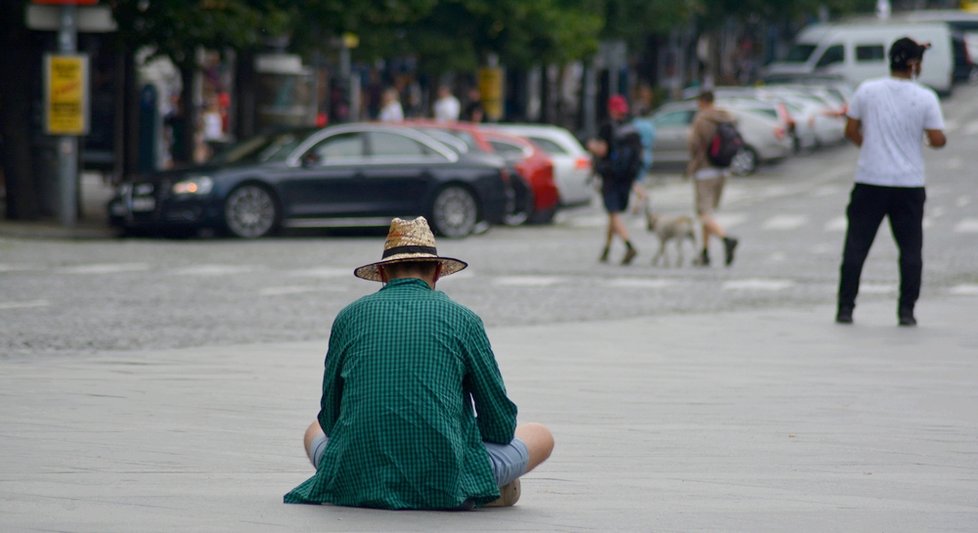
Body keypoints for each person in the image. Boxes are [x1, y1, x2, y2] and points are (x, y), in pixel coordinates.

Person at [284, 217, 554, 509]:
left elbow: (330, 419)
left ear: (384, 274)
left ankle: (372, 483)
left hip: (357, 474)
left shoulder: (349, 317)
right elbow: (499, 425)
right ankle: (480, 489)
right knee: (541, 435)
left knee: (313, 430)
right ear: (437, 272)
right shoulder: (463, 319)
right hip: (443, 477)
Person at [836, 37, 946, 327]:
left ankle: (845, 308)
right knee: (910, 251)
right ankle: (906, 311)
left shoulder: (867, 90)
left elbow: (850, 129)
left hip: (870, 179)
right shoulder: (925, 97)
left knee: (856, 247)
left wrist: (870, 147)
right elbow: (937, 139)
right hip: (909, 184)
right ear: (912, 65)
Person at [686, 90, 739, 267]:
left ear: (702, 101)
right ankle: (705, 253)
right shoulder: (727, 117)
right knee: (709, 213)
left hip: (704, 170)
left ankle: (726, 239)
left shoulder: (701, 120)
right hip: (722, 170)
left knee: (703, 214)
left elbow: (693, 144)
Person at [588, 95, 642, 265]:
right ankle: (606, 249)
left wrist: (592, 147)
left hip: (610, 175)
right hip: (626, 177)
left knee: (613, 213)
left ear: (611, 109)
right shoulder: (631, 128)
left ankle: (628, 245)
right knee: (614, 214)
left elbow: (602, 151)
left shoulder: (607, 127)